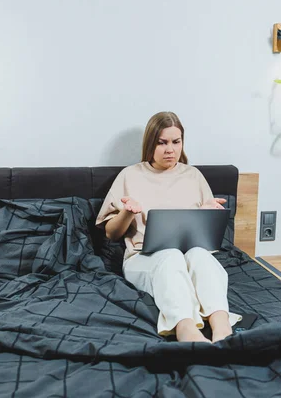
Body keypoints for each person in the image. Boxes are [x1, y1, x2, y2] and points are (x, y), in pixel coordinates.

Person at [95, 111, 241, 343]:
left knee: (202, 258)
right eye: (162, 143)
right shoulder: (130, 176)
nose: (170, 149)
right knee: (170, 255)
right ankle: (185, 328)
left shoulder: (193, 176)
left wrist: (208, 213)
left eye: (176, 142)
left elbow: (207, 235)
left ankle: (222, 326)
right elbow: (111, 233)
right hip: (143, 257)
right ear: (150, 143)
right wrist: (127, 213)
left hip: (191, 254)